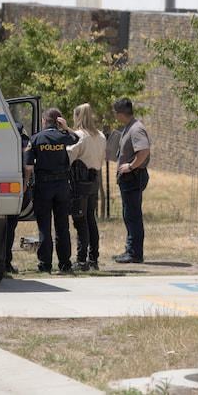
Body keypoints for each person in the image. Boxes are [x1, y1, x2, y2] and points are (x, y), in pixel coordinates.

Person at [24, 108, 79, 273]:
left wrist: (27, 182)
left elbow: (28, 166)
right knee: (63, 226)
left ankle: (45, 264)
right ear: (58, 121)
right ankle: (64, 264)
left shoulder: (35, 139)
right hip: (62, 186)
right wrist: (66, 127)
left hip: (44, 187)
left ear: (43, 121)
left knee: (44, 227)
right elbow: (76, 138)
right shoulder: (63, 137)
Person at [66, 103, 106, 272]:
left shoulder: (79, 136)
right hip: (94, 180)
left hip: (80, 182)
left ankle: (81, 260)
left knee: (80, 220)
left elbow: (69, 155)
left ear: (78, 116)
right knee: (90, 219)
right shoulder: (101, 136)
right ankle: (93, 258)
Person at [112, 98, 151, 264]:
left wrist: (130, 166)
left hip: (133, 177)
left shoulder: (136, 129)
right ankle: (130, 250)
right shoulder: (130, 127)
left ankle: (135, 253)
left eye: (115, 113)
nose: (115, 116)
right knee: (129, 215)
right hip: (130, 178)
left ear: (120, 113)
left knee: (132, 215)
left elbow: (144, 151)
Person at [4, 122, 31, 274]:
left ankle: (0, 261)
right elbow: (28, 162)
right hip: (15, 185)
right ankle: (6, 262)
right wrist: (26, 182)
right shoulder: (21, 135)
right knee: (10, 226)